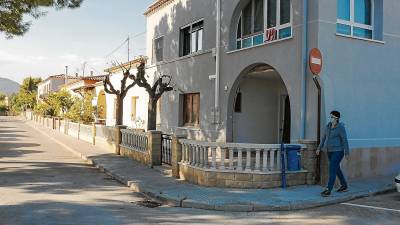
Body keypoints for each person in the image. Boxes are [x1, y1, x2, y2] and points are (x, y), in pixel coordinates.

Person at [316, 110, 350, 197]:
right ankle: (344, 185)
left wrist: (347, 152)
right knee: (336, 168)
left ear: (337, 118)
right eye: (330, 116)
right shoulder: (328, 126)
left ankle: (328, 189)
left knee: (332, 168)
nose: (330, 118)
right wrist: (319, 148)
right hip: (329, 151)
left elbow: (344, 140)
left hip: (338, 151)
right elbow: (323, 138)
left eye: (332, 117)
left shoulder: (341, 127)